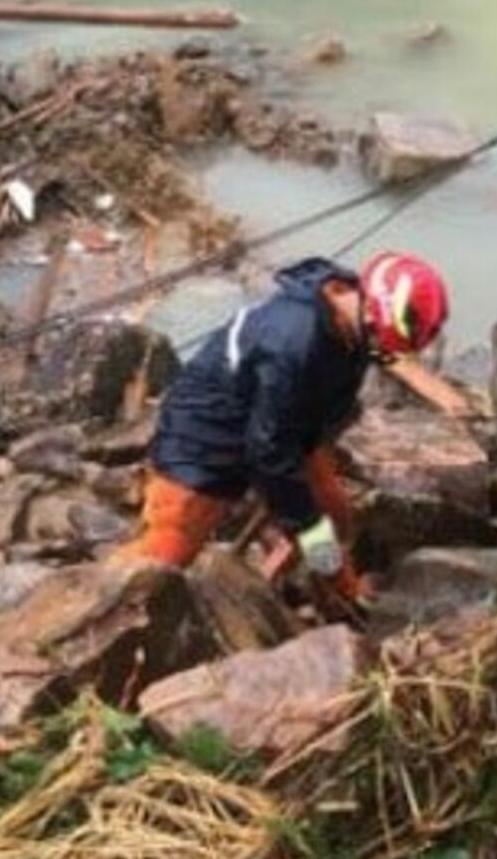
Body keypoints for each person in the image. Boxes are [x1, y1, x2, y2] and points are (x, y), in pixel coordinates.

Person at [114, 251, 450, 606]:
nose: (379, 351)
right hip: (205, 433)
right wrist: (318, 546)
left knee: (336, 517)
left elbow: (293, 430)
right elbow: (272, 460)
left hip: (289, 426)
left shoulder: (349, 311)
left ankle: (328, 586)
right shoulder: (293, 344)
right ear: (369, 312)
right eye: (379, 342)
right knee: (168, 554)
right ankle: (88, 615)